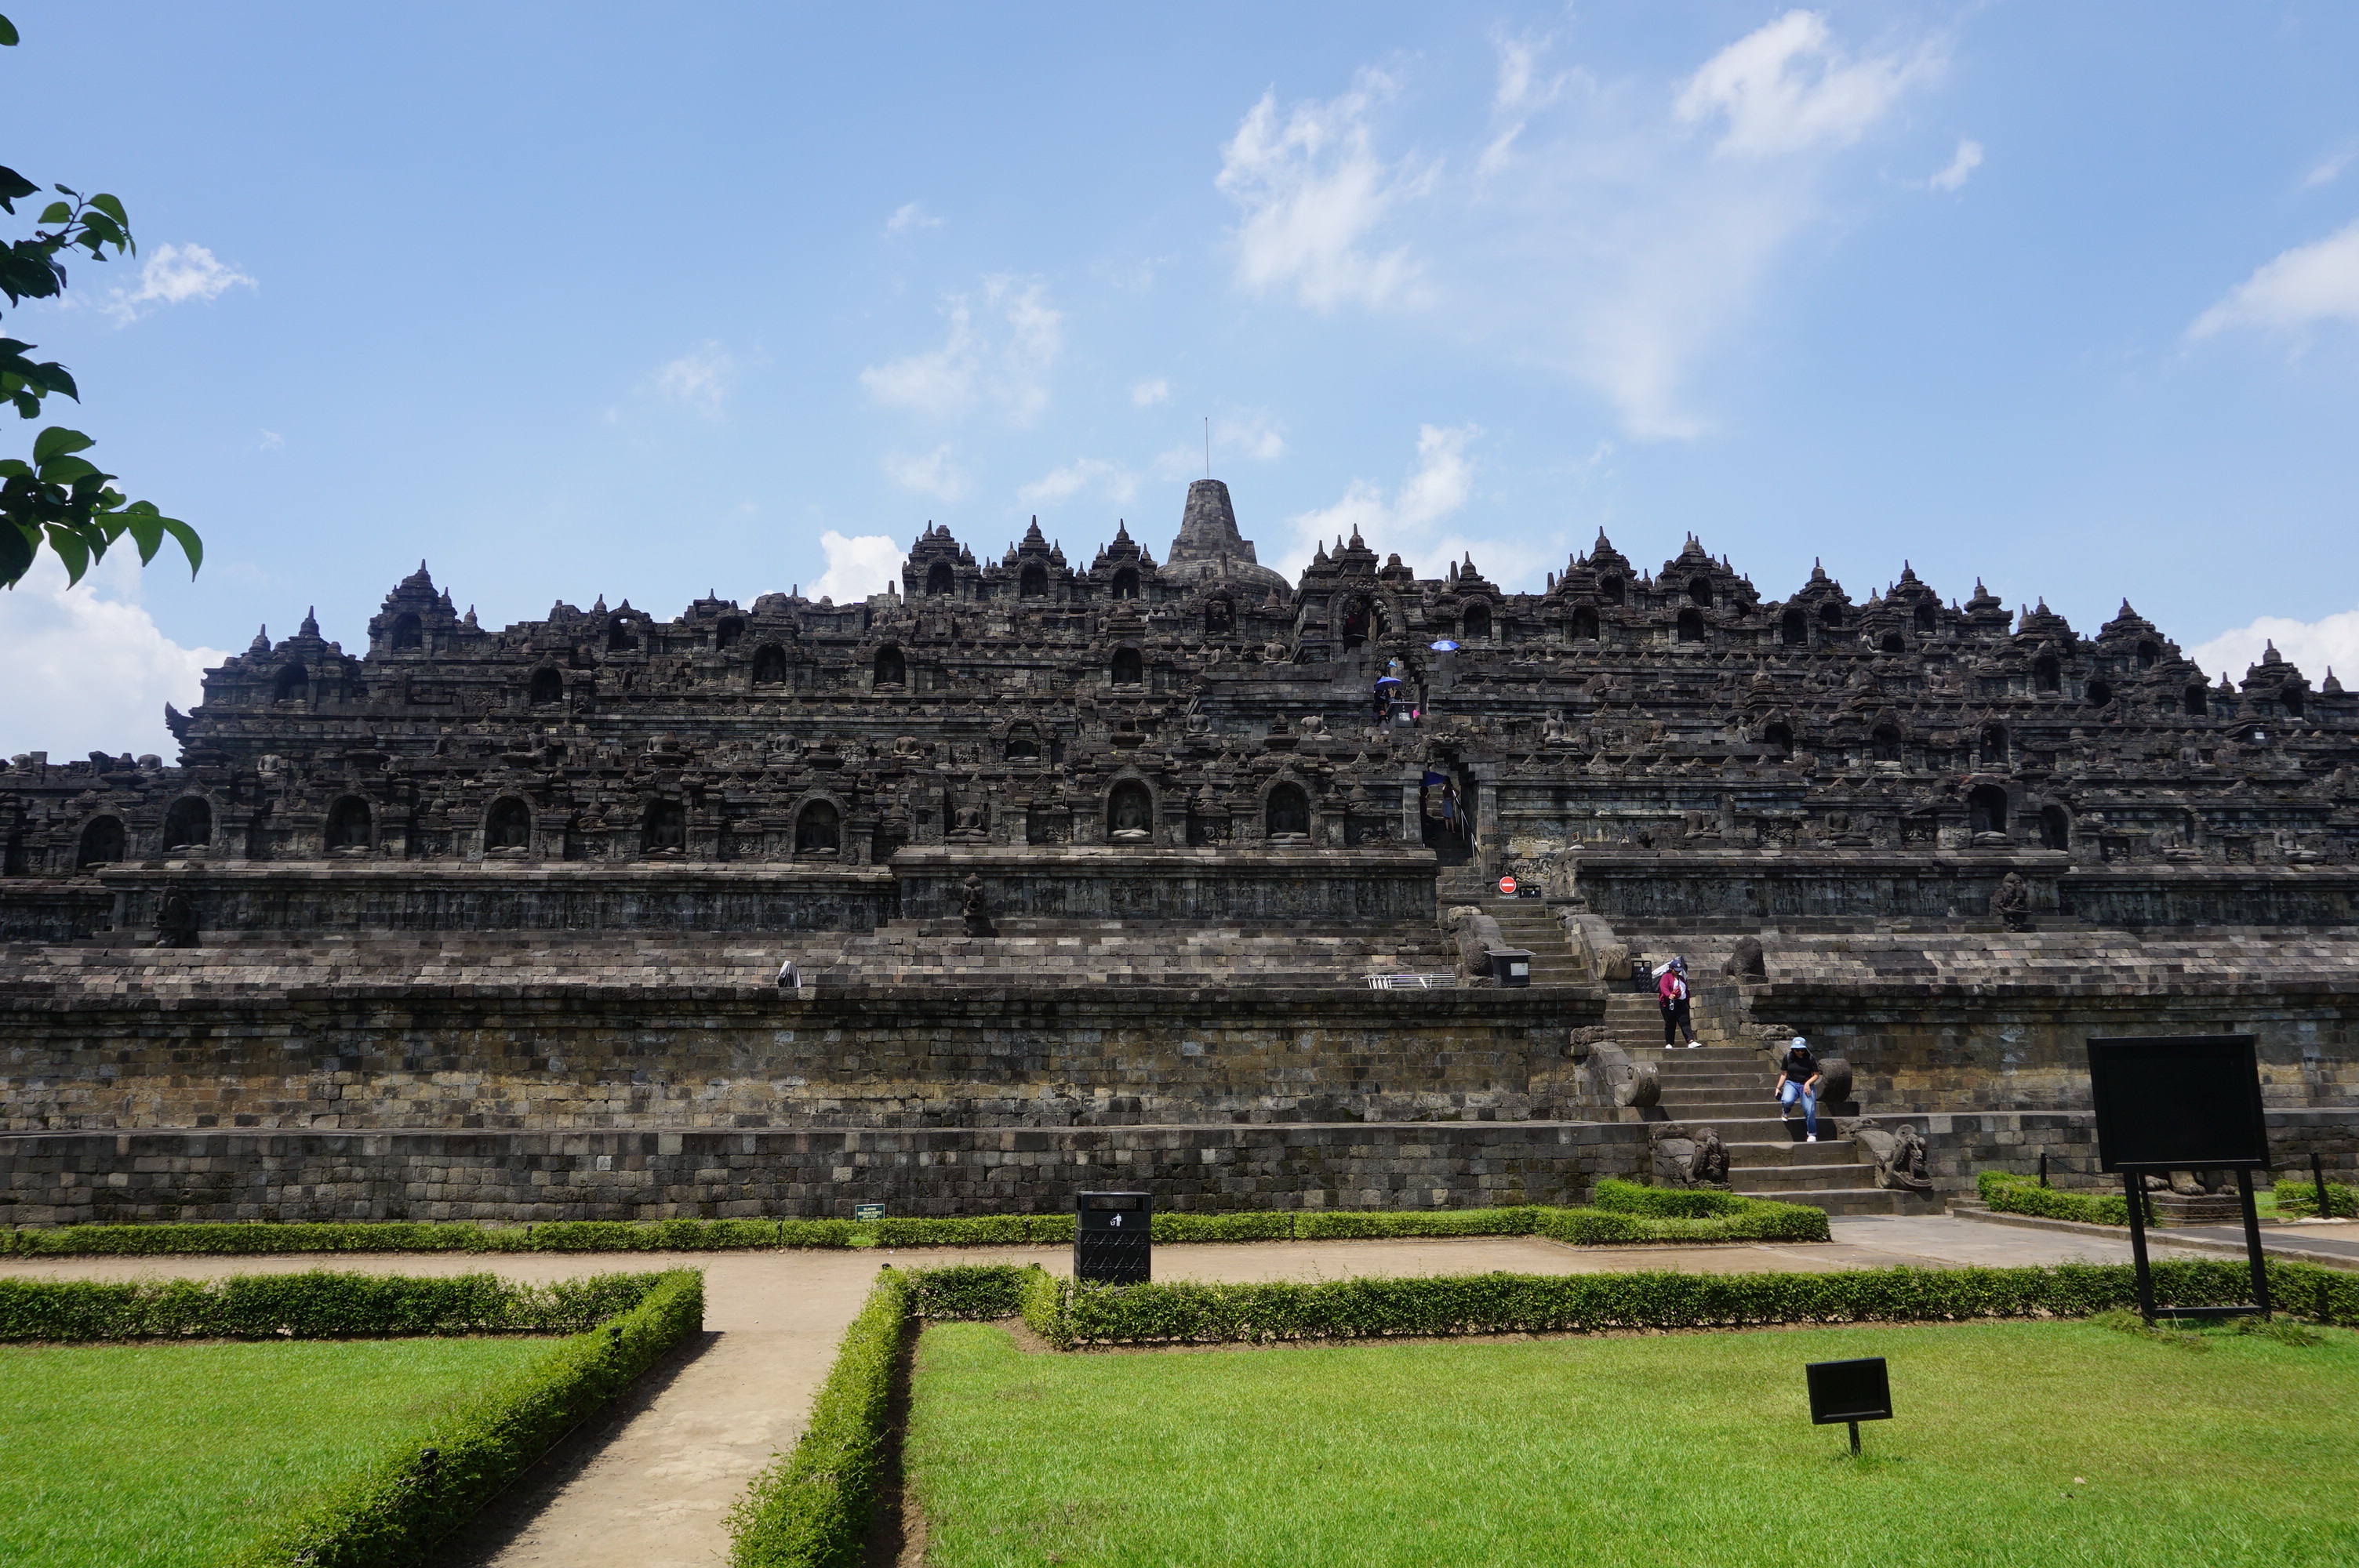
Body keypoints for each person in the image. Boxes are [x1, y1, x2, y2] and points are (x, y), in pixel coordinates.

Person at [1776, 1033, 1823, 1142]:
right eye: (1797, 1050)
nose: (1799, 1052)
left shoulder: (1810, 1059)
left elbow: (1816, 1074)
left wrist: (1807, 1083)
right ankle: (1786, 1110)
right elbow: (1784, 1073)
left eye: (1801, 1050)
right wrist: (1778, 1087)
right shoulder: (1788, 1057)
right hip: (1791, 1083)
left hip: (1806, 1084)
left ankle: (1812, 1133)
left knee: (1810, 1109)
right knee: (1787, 1100)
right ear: (1793, 1050)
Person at [1656, 958, 1697, 1047]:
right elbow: (1663, 987)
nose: (1677, 972)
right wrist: (1669, 995)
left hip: (1681, 1003)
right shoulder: (1666, 977)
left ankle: (1690, 1040)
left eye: (1679, 971)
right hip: (1669, 1003)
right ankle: (1669, 1043)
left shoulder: (1681, 978)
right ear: (1671, 968)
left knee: (1685, 1022)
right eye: (1676, 970)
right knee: (1670, 1023)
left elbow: (1685, 990)